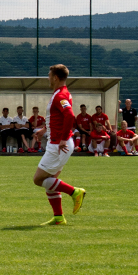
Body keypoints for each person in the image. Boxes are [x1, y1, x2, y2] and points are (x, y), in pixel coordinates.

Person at [32, 64, 85, 226]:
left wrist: (62, 139)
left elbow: (69, 116)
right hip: (57, 142)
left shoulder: (59, 95)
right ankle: (58, 217)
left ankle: (75, 191)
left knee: (38, 179)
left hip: (58, 144)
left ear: (55, 77)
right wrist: (44, 129)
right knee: (51, 181)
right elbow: (59, 117)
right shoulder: (60, 94)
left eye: (49, 75)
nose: (48, 78)